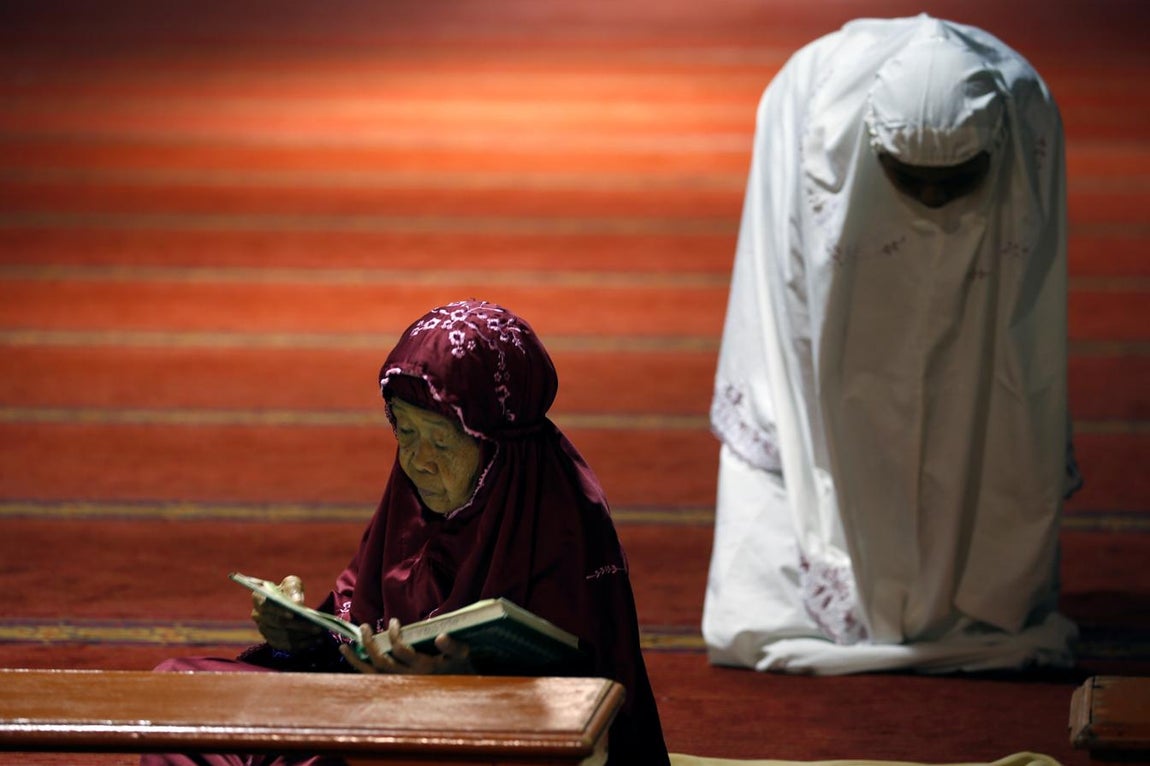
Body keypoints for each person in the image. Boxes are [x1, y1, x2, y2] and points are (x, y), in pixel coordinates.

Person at [703, 14, 1083, 675]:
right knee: (826, 397)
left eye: (956, 179)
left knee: (987, 394)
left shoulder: (1026, 113)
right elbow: (798, 289)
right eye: (911, 178)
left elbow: (1029, 302)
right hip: (836, 275)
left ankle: (965, 594)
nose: (934, 198)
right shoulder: (812, 112)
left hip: (985, 279)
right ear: (873, 147)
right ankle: (843, 588)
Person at [143, 299, 671, 765]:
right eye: (405, 431)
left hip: (474, 749)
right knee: (184, 691)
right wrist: (304, 634)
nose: (418, 461)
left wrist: (466, 691)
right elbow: (354, 623)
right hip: (373, 716)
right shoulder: (411, 499)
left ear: (494, 444)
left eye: (441, 442)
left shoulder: (560, 519)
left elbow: (593, 707)